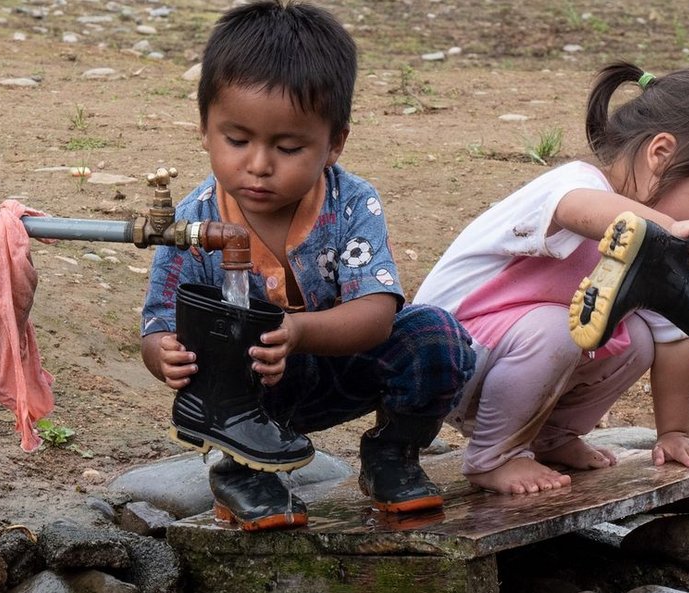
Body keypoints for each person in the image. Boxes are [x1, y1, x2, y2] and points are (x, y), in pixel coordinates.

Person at [140, 0, 475, 529]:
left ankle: (392, 455)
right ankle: (242, 472)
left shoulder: (352, 203)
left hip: (342, 366)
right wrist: (163, 354)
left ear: (333, 143)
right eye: (237, 140)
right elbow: (160, 318)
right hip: (248, 390)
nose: (258, 164)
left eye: (289, 146)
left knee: (436, 334)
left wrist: (296, 331)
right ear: (205, 128)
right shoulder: (193, 219)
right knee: (223, 338)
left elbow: (377, 312)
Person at [413, 61, 689, 495]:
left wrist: (673, 433)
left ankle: (550, 437)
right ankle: (494, 457)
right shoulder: (577, 184)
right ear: (660, 154)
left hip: (506, 365)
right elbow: (582, 211)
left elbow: (674, 342)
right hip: (439, 360)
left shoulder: (656, 247)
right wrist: (666, 226)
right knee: (562, 329)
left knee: (641, 337)